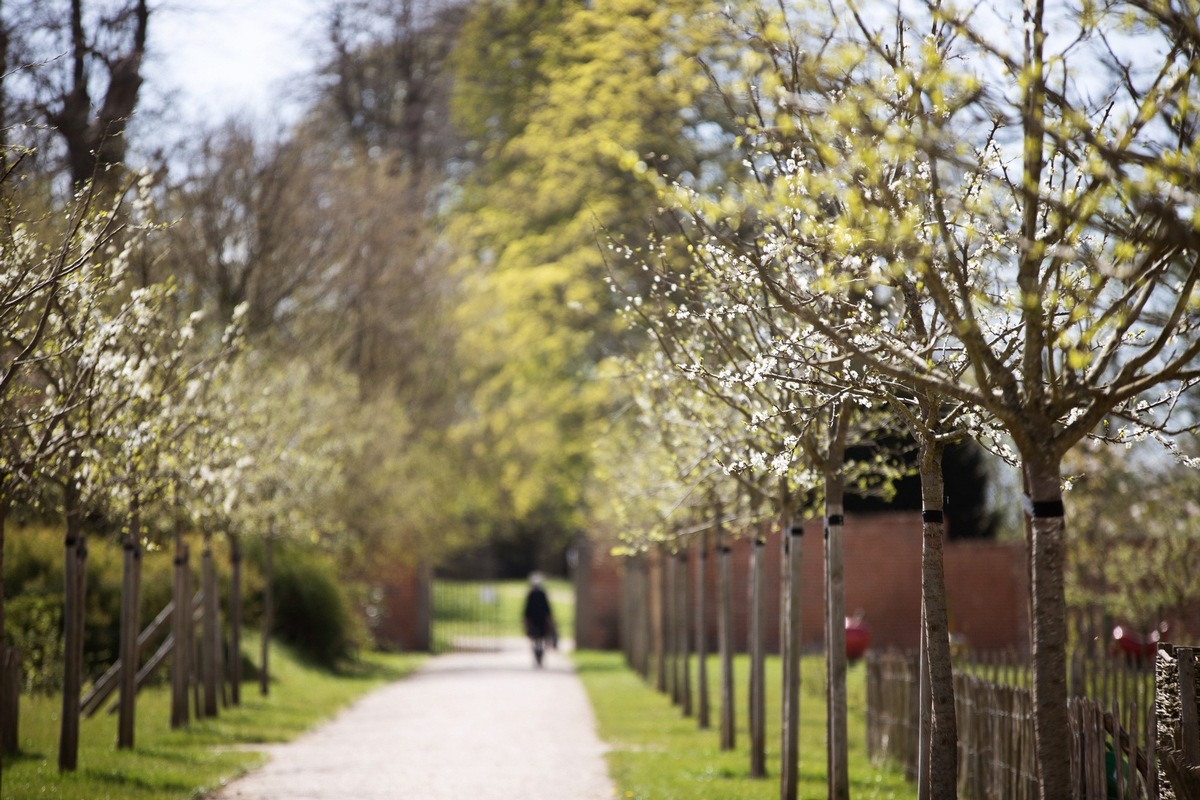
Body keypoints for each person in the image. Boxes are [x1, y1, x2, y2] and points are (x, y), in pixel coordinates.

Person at [522, 572, 555, 667]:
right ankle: (539, 656)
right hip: (541, 620)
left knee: (535, 640)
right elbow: (547, 608)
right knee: (541, 639)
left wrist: (526, 620)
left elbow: (527, 609)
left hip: (534, 620)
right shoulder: (542, 593)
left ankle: (537, 656)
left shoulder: (531, 593)